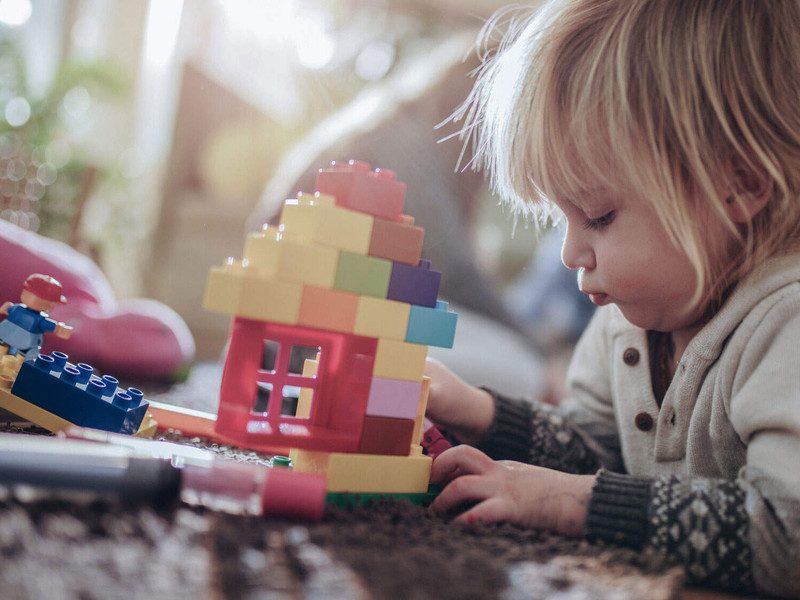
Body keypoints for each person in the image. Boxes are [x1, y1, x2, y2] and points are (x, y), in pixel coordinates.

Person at [424, 1, 800, 597]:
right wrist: (481, 411)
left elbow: (788, 538)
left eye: (598, 215)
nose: (572, 252)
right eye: (559, 219)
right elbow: (601, 455)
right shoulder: (626, 321)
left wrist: (573, 504)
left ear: (743, 183)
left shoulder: (787, 324)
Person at [0, 274, 73, 361]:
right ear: (51, 304)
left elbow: (5, 308)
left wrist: (59, 328)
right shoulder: (40, 320)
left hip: (5, 337)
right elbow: (54, 327)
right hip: (22, 346)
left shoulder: (16, 308)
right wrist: (59, 329)